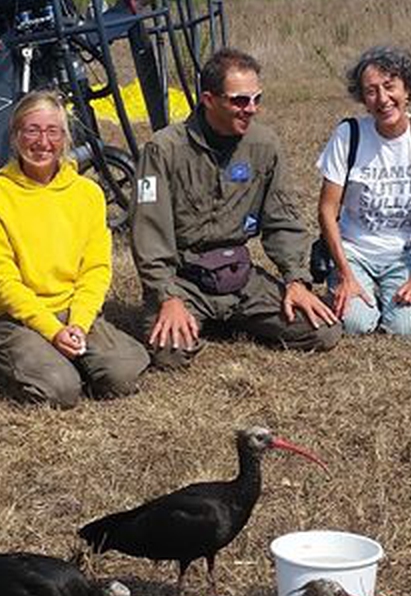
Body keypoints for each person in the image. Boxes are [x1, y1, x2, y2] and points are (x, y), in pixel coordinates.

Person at [131, 47, 340, 370]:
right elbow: (149, 232)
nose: (251, 109)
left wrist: (296, 280)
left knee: (323, 331)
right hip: (184, 279)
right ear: (209, 99)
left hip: (239, 276)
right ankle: (196, 315)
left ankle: (236, 316)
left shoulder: (264, 146)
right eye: (239, 100)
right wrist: (167, 296)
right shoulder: (164, 149)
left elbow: (282, 220)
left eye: (257, 99)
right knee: (169, 354)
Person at [0, 90, 150, 405]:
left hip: (74, 312)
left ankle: (70, 356)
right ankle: (6, 357)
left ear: (65, 138)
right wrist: (51, 330)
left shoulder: (88, 193)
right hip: (18, 318)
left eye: (52, 131)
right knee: (61, 390)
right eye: (32, 130)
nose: (43, 142)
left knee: (123, 374)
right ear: (16, 136)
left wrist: (79, 323)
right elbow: (2, 281)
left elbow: (96, 268)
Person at [315, 45, 411, 337]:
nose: (383, 99)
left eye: (389, 86)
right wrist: (345, 273)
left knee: (409, 328)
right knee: (356, 323)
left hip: (405, 254)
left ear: (407, 89)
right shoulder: (348, 135)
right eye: (371, 91)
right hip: (354, 252)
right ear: (363, 99)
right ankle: (346, 287)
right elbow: (327, 210)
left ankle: (390, 300)